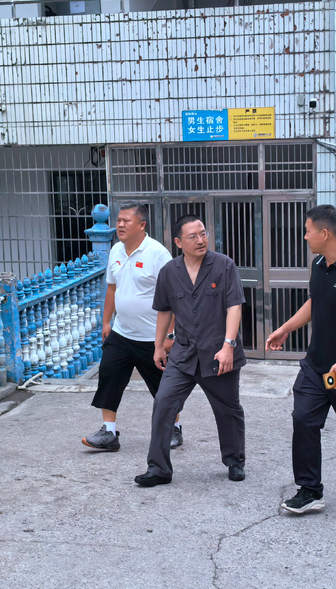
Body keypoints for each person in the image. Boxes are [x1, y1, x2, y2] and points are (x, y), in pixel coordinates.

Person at [267, 205, 336, 515]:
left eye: (308, 231)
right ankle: (309, 490)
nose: (305, 237)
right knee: (303, 419)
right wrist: (285, 329)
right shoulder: (319, 264)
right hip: (316, 366)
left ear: (325, 233)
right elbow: (315, 302)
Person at [134, 215, 246, 487]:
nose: (200, 240)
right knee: (163, 404)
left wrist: (228, 346)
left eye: (203, 233)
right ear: (178, 242)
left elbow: (234, 306)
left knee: (228, 409)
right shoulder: (170, 272)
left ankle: (234, 460)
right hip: (183, 354)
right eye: (193, 236)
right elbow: (164, 310)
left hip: (218, 354)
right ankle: (159, 469)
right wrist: (159, 346)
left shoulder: (224, 266)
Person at [82, 203, 182, 452]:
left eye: (126, 221)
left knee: (163, 387)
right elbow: (112, 288)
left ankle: (174, 428)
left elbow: (174, 297)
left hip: (152, 338)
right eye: (118, 220)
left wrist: (169, 335)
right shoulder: (116, 250)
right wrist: (107, 322)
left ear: (142, 225)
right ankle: (109, 432)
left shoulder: (158, 254)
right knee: (109, 376)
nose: (120, 225)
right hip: (122, 332)